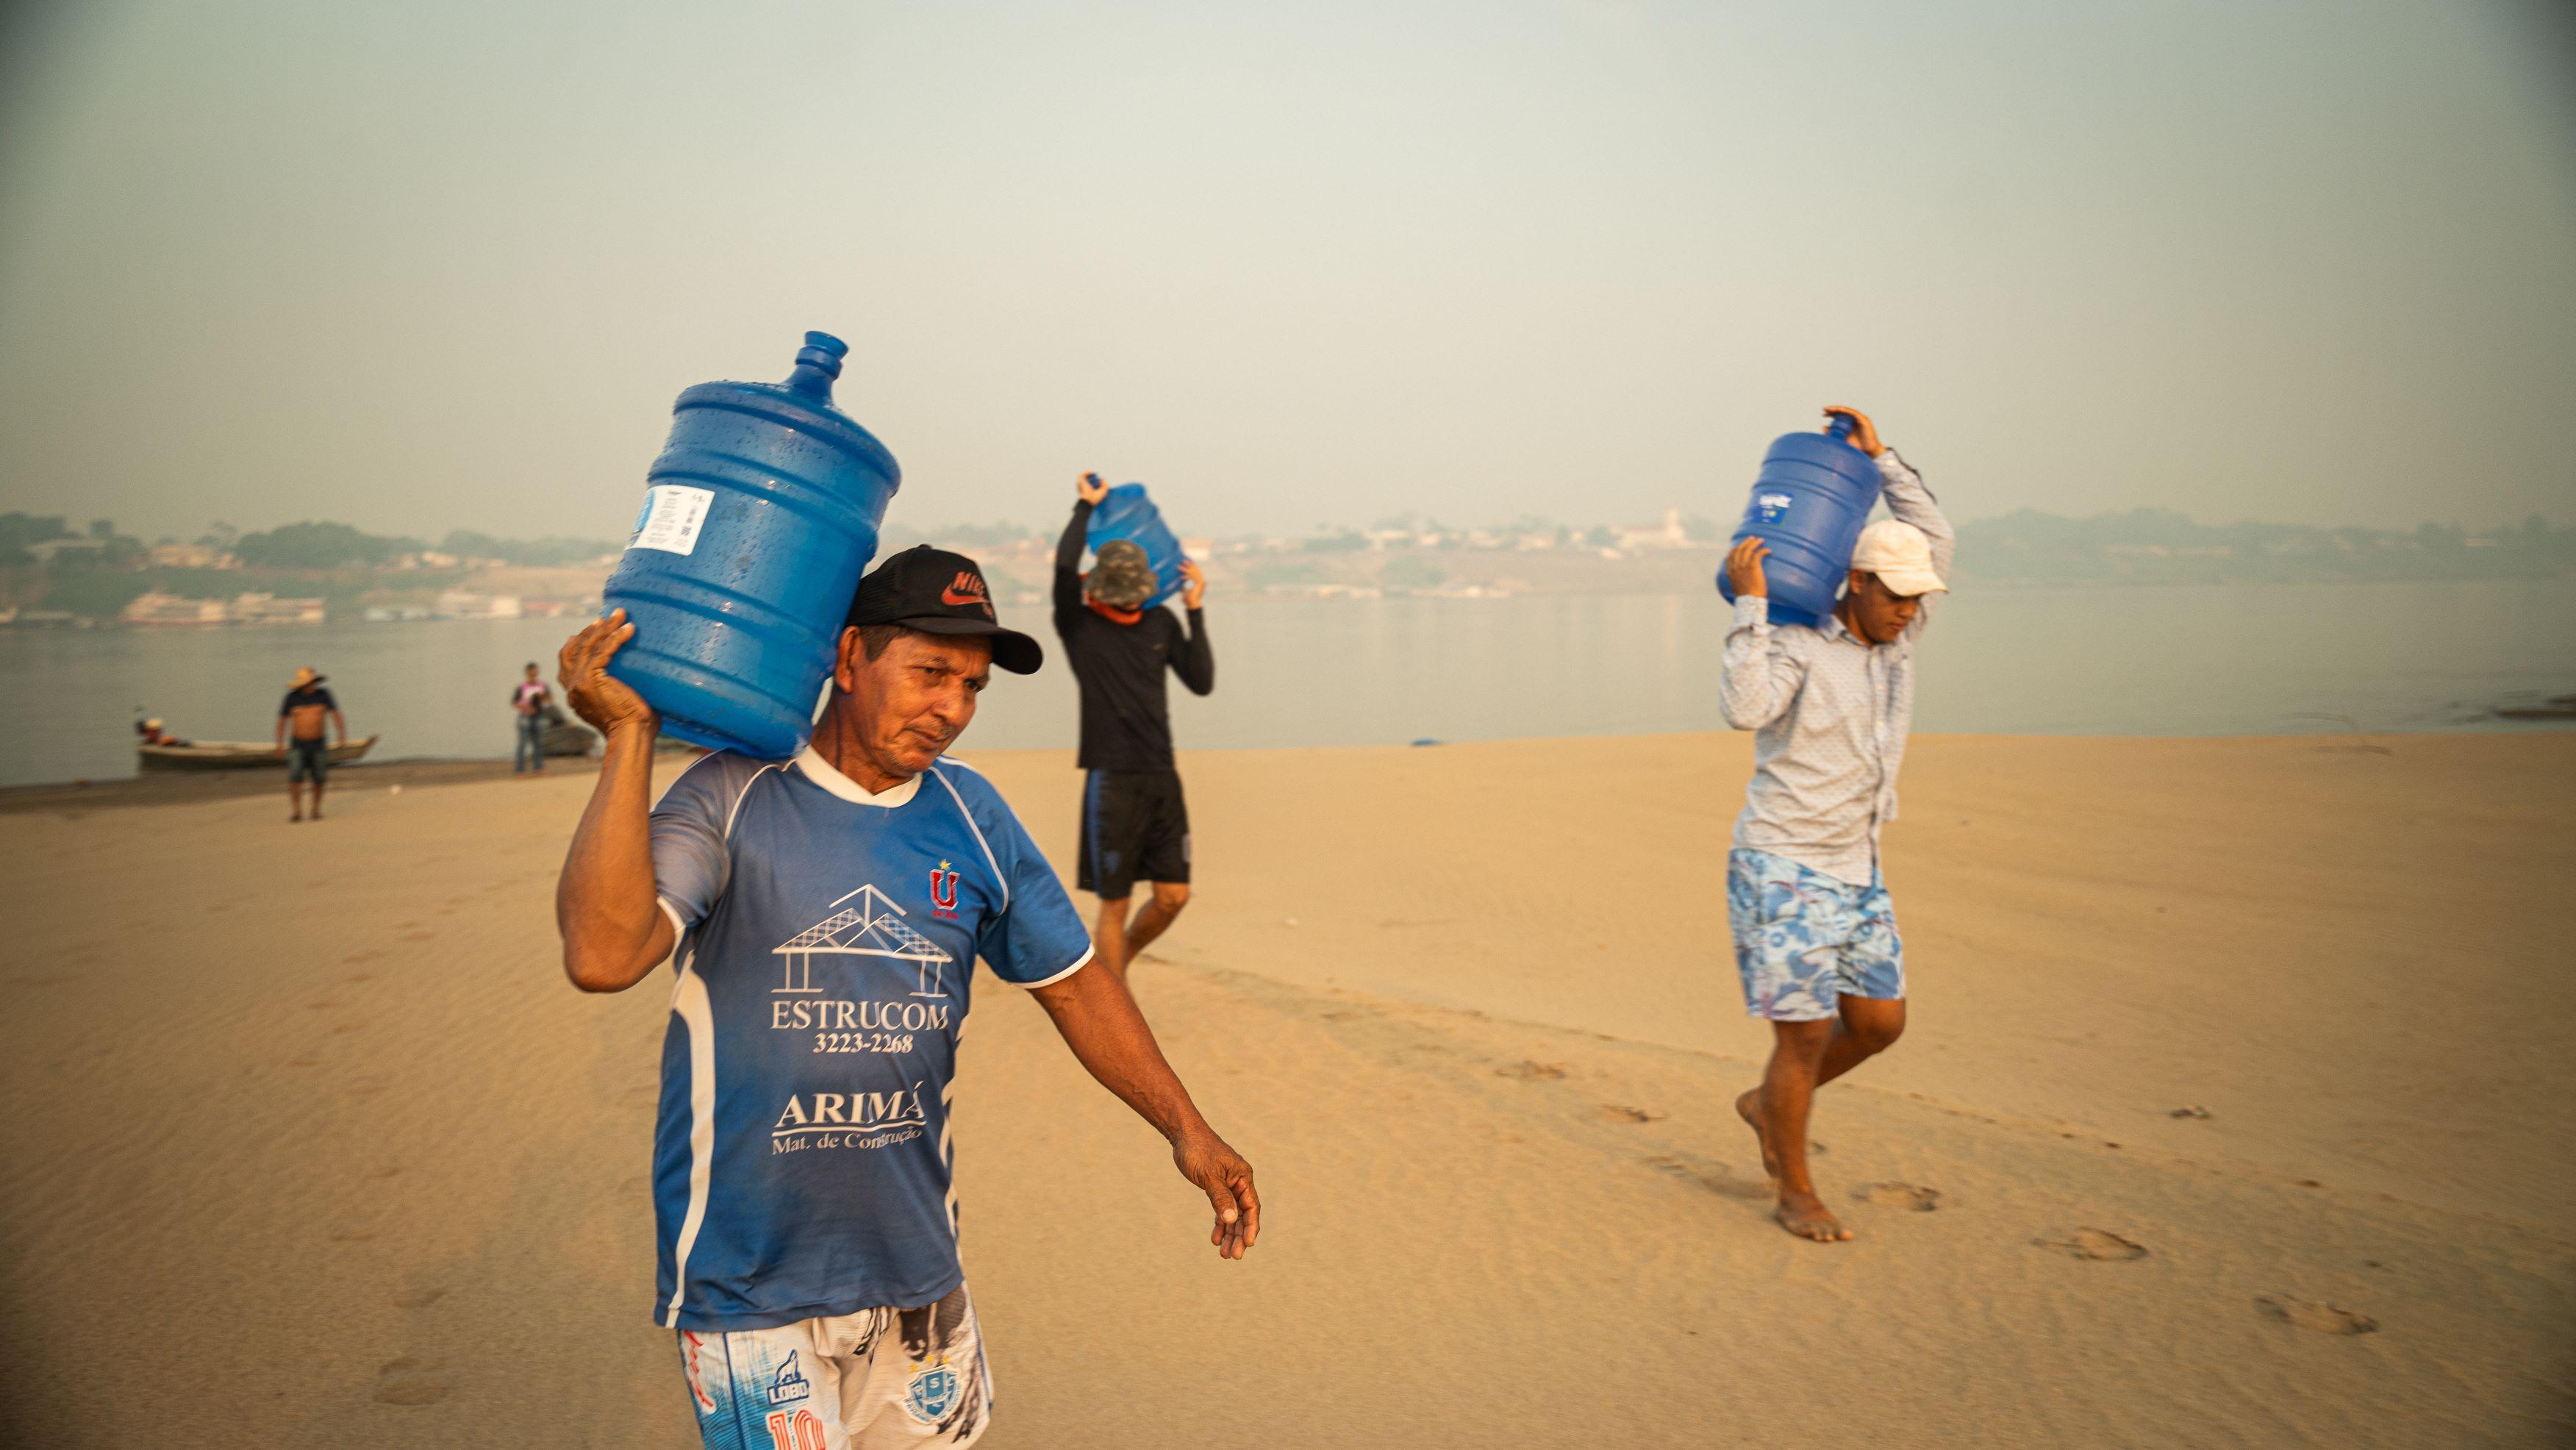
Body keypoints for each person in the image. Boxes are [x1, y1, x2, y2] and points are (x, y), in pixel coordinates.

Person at [554, 545, 1258, 1450]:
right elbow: (605, 952)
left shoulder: (972, 814)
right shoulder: (731, 795)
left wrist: (1186, 1126)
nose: (952, 710)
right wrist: (629, 736)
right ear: (847, 657)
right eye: (931, 673)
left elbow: (1077, 984)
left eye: (972, 687)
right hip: (749, 1285)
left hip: (916, 1273)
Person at [1719, 404, 1954, 1244]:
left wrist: (1882, 458)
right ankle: (1797, 1190)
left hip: (1858, 865)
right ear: (1855, 582)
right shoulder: (1790, 643)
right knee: (1806, 1038)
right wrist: (1751, 607)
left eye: (1919, 598)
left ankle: (1766, 1107)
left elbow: (1933, 534)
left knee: (1878, 1026)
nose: (1912, 612)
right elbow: (1743, 709)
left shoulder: (1895, 644)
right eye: (1898, 597)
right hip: (1782, 864)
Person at [1053, 474, 1214, 982]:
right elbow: (1062, 565)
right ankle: (1116, 1007)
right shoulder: (1079, 625)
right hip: (1112, 778)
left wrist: (1195, 611)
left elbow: (1202, 682)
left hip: (1161, 774)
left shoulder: (1160, 623)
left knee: (1173, 897)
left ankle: (1116, 963)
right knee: (1114, 905)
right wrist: (1084, 508)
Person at [274, 666, 346, 824]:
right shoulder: (291, 698)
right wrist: (279, 744)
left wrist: (341, 734)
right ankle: (297, 811)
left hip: (318, 743)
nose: (312, 686)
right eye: (309, 683)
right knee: (295, 777)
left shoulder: (324, 695)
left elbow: (336, 714)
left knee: (319, 777)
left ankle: (315, 810)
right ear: (302, 685)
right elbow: (282, 721)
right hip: (298, 744)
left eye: (313, 682)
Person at [511, 662, 552, 774]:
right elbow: (514, 703)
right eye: (531, 672)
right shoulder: (521, 687)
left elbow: (549, 700)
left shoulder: (543, 686)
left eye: (535, 671)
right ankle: (520, 770)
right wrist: (526, 707)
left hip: (539, 715)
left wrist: (541, 697)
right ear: (527, 672)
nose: (533, 674)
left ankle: (539, 768)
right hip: (525, 715)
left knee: (539, 743)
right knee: (522, 743)